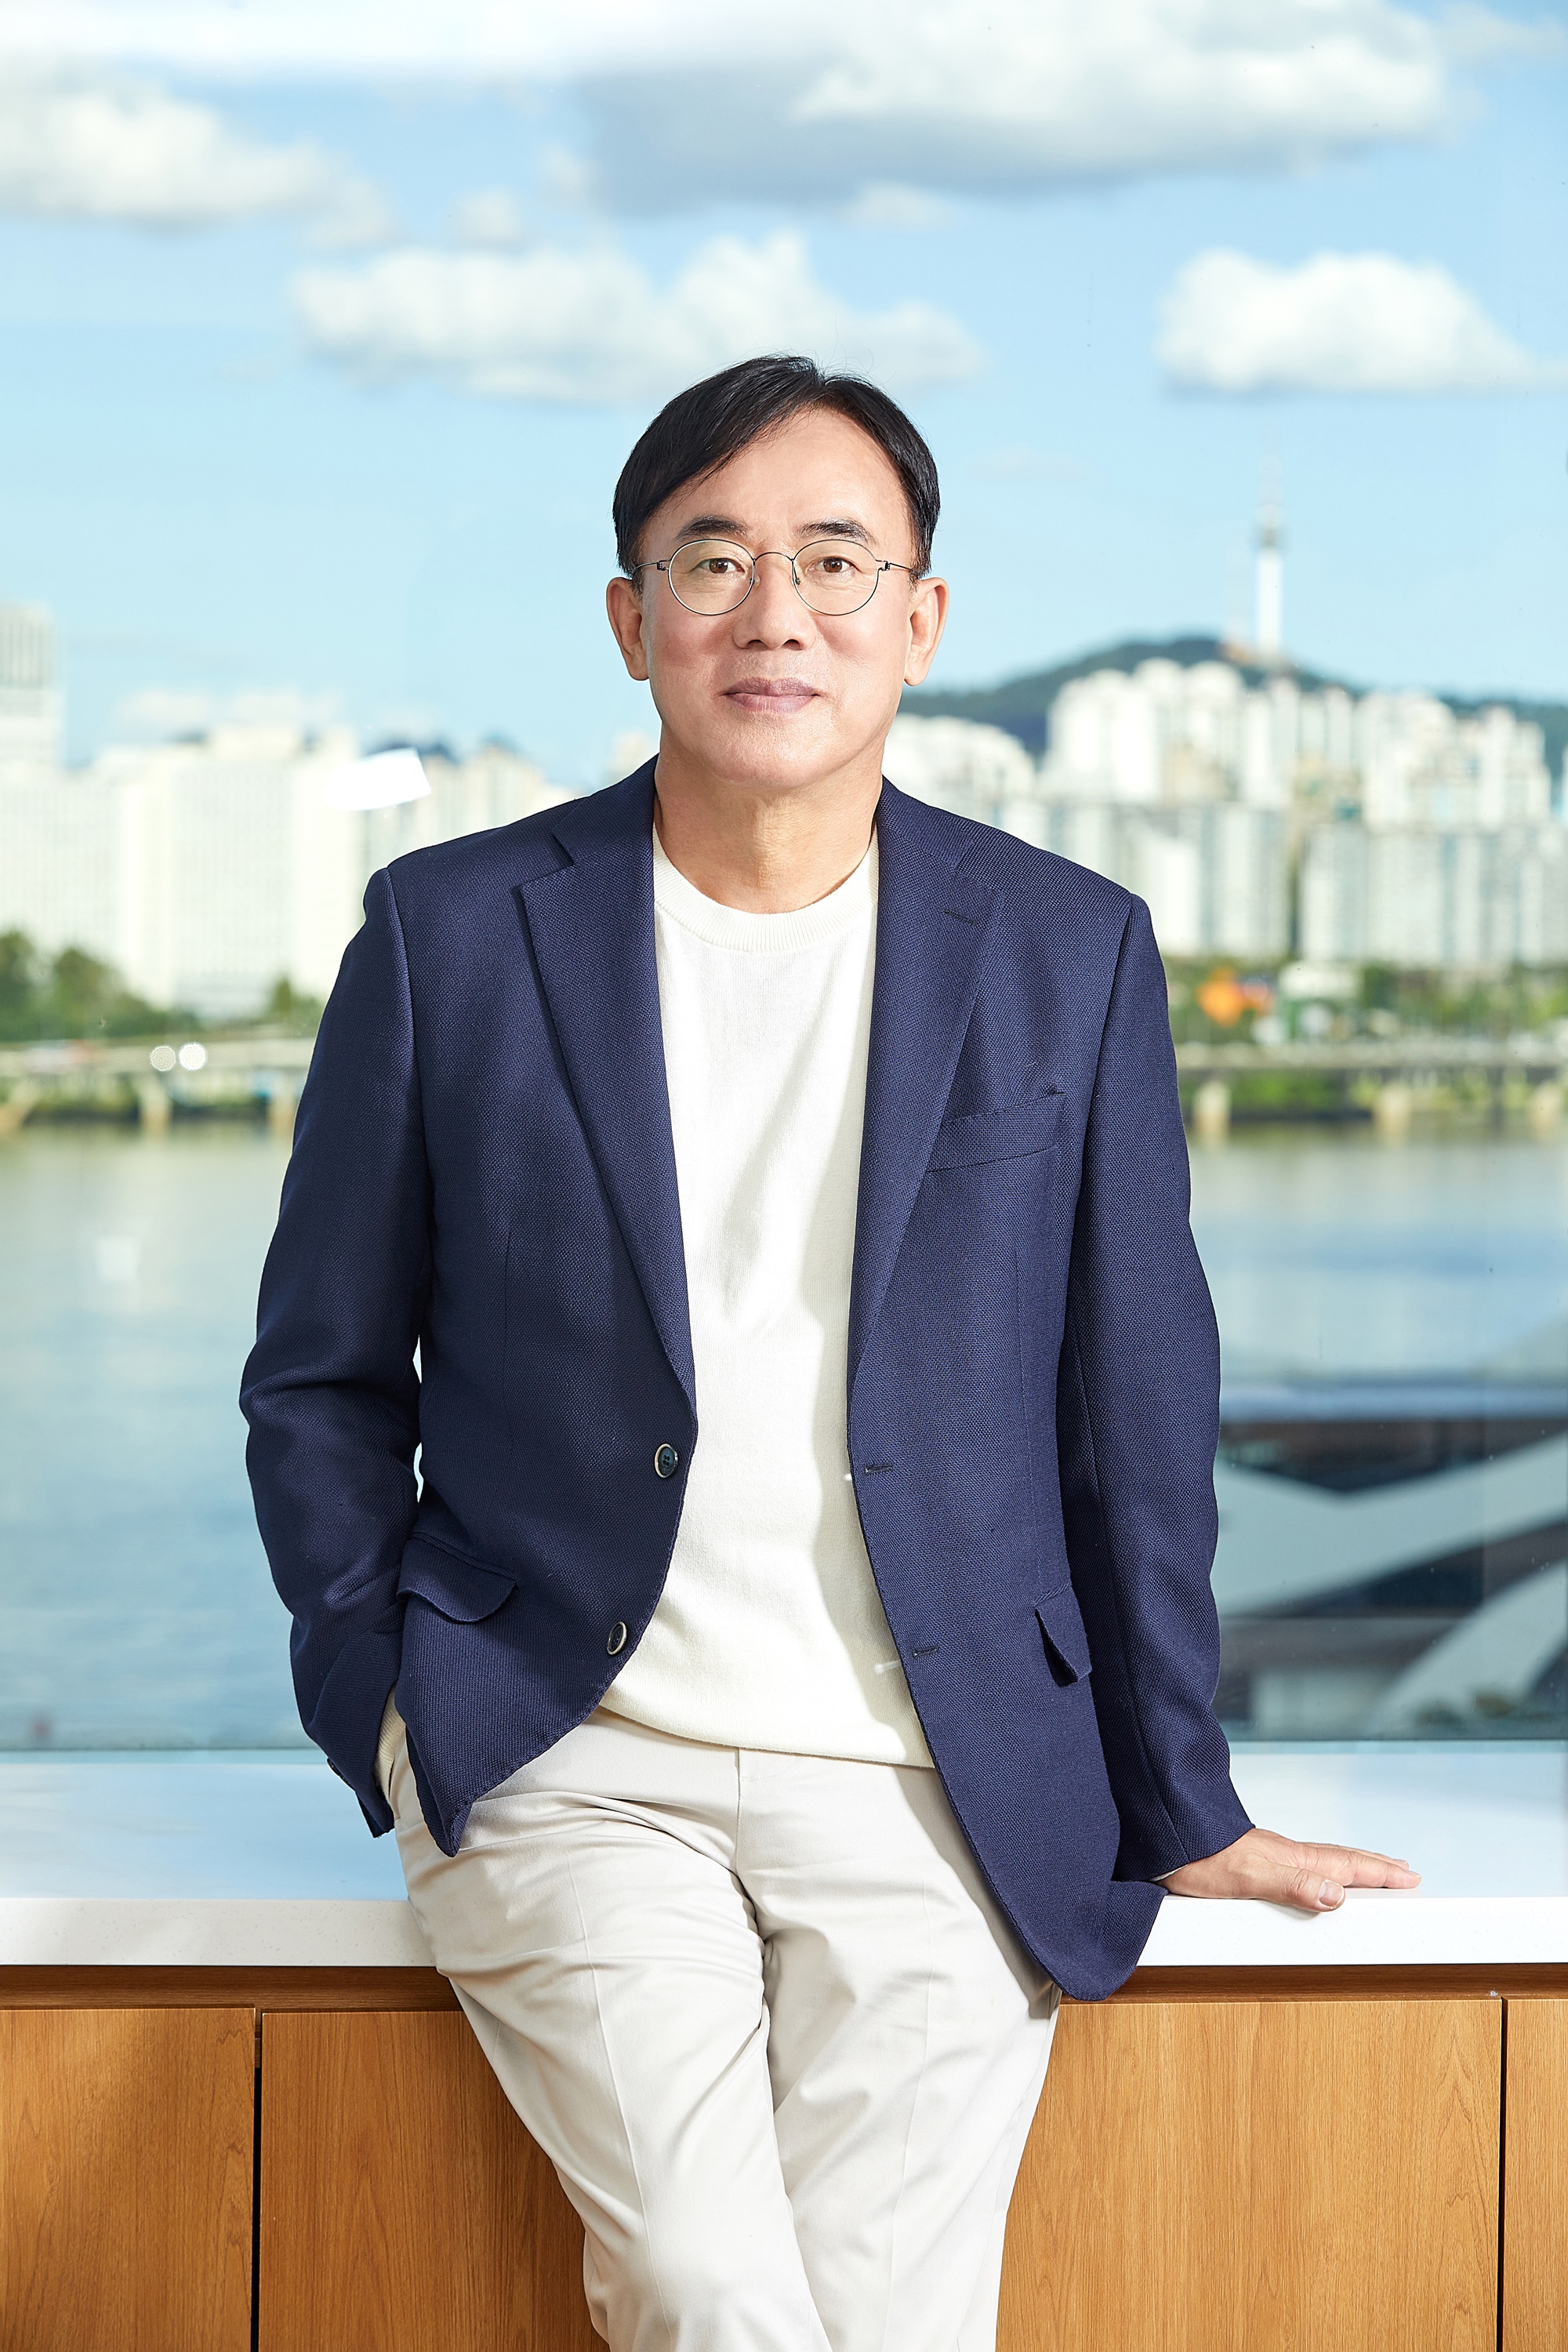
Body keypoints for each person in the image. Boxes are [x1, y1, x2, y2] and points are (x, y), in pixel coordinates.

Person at [241, 355, 1418, 2352]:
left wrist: (1181, 1792)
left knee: (890, 2320)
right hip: (570, 1749)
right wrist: (381, 1699)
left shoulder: (1067, 948)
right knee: (708, 2287)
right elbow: (322, 1377)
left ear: (920, 620)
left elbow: (1133, 1413)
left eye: (834, 561)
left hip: (937, 1771)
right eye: (711, 559)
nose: (773, 612)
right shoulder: (451, 934)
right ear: (630, 619)